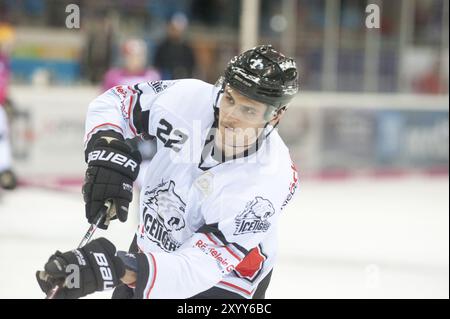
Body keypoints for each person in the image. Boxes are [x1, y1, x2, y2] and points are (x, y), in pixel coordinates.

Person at [36, 45, 300, 299]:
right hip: (154, 243)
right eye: (229, 98)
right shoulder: (188, 98)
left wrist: (118, 268)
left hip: (226, 282)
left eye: (249, 110)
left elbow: (196, 269)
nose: (230, 116)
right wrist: (106, 149)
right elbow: (118, 102)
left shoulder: (266, 180)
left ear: (275, 116)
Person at [153, 13, 196, 79]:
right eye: (173, 29)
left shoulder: (187, 49)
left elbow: (192, 68)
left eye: (177, 30)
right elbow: (157, 68)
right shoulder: (162, 47)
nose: (175, 32)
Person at [0, 23, 17, 190]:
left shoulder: (5, 61)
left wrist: (6, 100)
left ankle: (4, 171)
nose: (9, 47)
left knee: (3, 139)